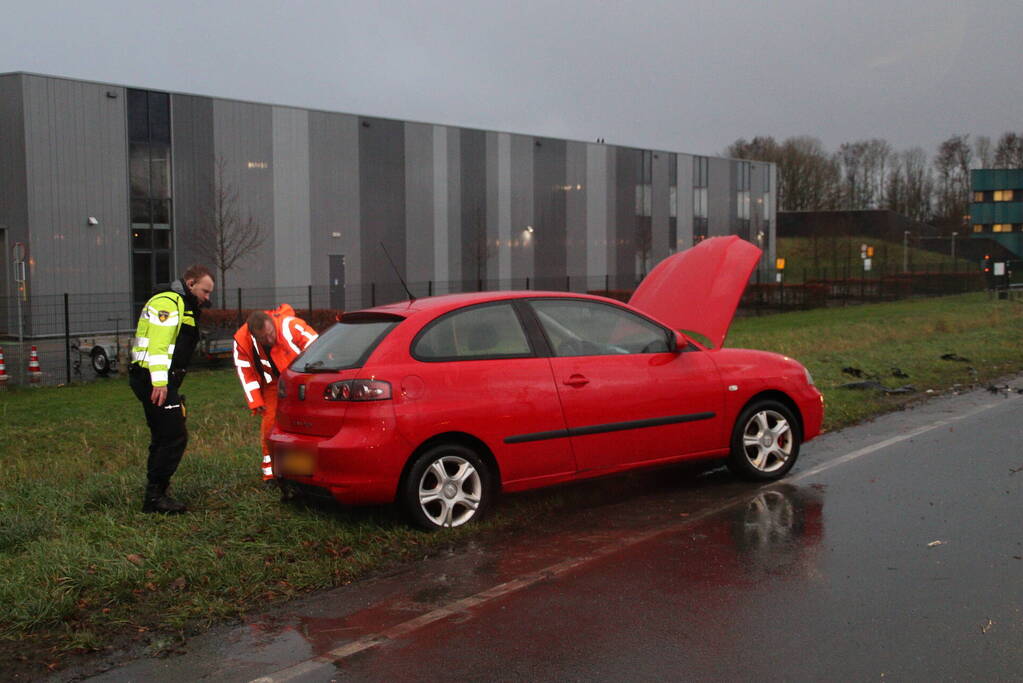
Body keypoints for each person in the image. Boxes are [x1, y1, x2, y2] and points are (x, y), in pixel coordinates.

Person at [129, 265, 215, 514]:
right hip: (153, 379)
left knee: (163, 435)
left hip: (159, 378)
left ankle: (156, 493)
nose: (207, 298)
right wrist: (160, 382)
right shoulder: (168, 302)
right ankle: (155, 497)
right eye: (205, 291)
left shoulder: (183, 304)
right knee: (174, 435)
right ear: (190, 283)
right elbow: (158, 344)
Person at [233, 304, 318, 481]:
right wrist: (256, 401)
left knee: (303, 423)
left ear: (273, 324)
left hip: (301, 380)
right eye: (264, 338)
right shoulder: (243, 340)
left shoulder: (291, 326)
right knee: (269, 424)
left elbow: (319, 348)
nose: (270, 339)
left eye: (271, 333)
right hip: (272, 384)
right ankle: (271, 471)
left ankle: (304, 468)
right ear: (254, 337)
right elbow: (245, 372)